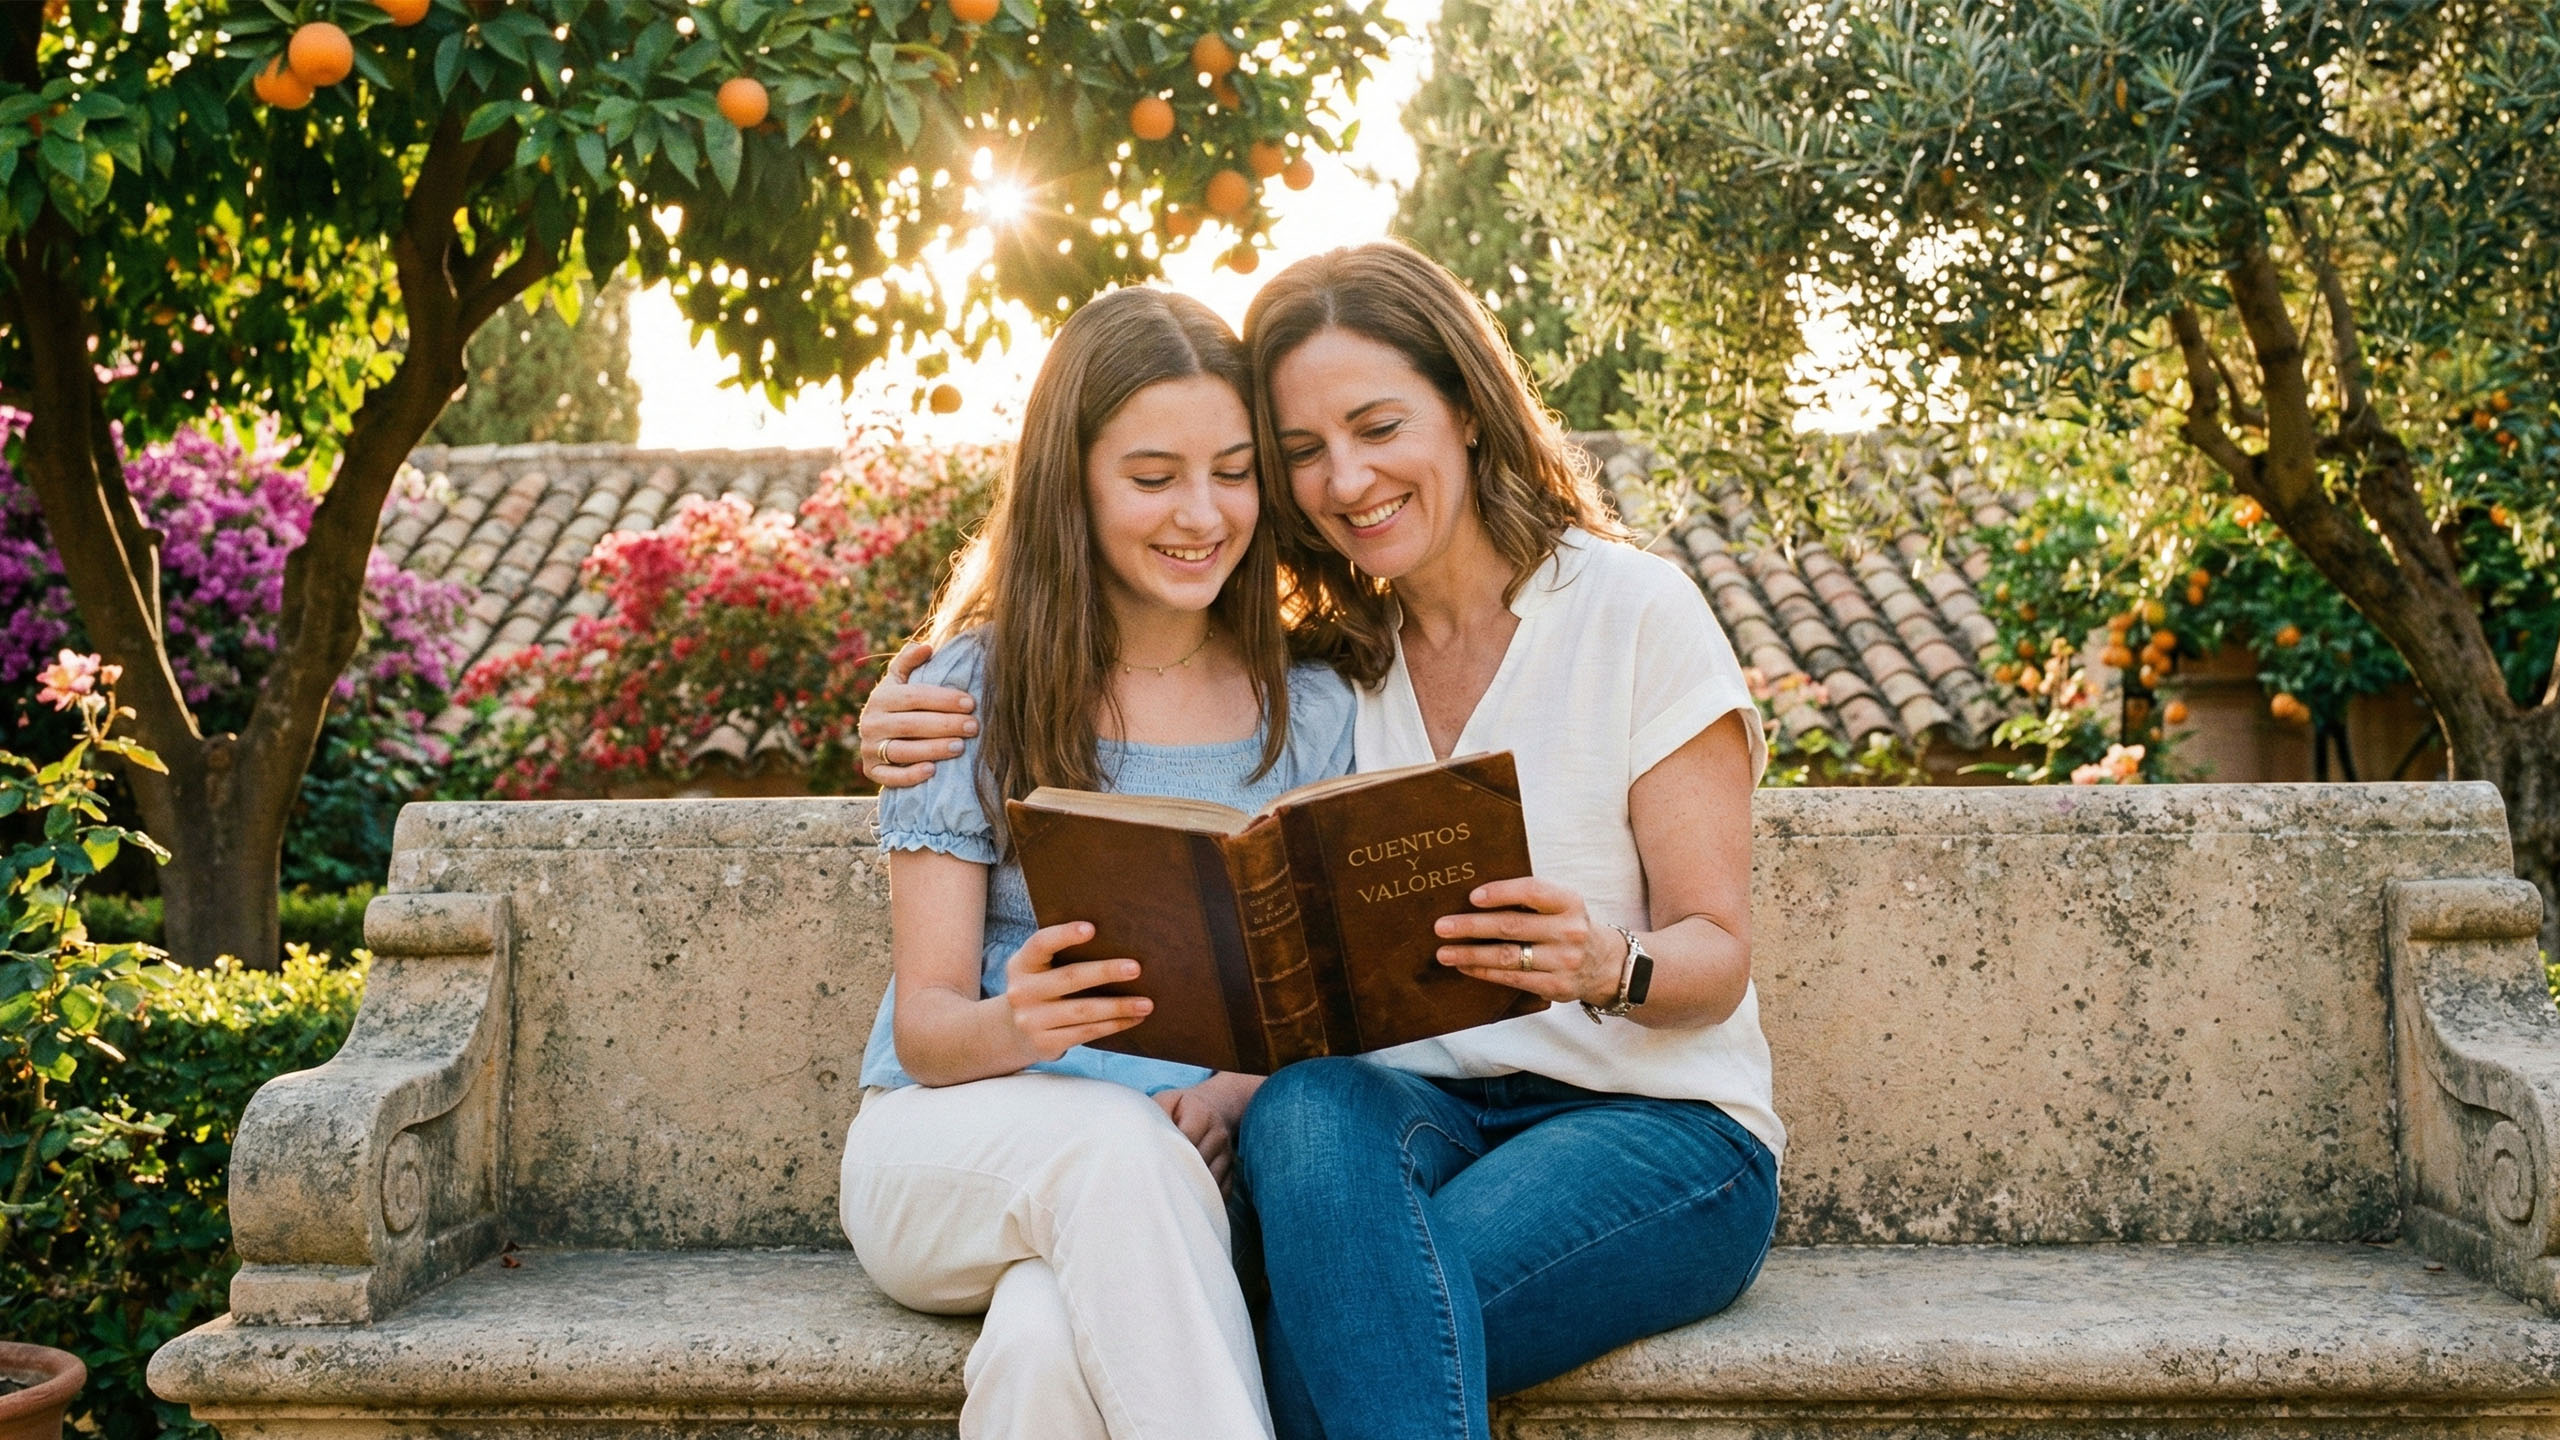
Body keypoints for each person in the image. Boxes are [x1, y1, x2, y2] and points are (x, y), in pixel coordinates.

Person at [858, 240, 1780, 1440]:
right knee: (1291, 1122)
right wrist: (904, 707)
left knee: (1316, 1343)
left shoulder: (1627, 613)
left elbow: (1716, 959)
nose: (1346, 479)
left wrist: (1610, 962)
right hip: (1402, 1121)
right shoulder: (1349, 662)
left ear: (1466, 408)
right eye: (1301, 451)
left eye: (1378, 426)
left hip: (1641, 1115)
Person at [837, 286, 1355, 1440]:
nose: (1201, 513)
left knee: (1039, 1353)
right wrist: (1019, 1022)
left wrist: (1229, 1098)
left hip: (1175, 1194)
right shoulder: (970, 692)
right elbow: (927, 1032)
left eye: (1233, 471)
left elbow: (1323, 1000)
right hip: (951, 1151)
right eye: (1153, 476)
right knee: (1117, 1151)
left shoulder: (1311, 710)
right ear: (1071, 482)